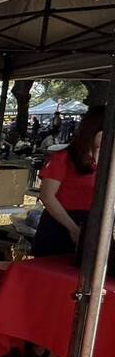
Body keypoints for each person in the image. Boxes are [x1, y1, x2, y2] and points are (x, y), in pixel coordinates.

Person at [34, 106, 104, 258]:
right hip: (60, 225)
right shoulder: (64, 158)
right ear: (93, 130)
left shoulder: (107, 161)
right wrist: (73, 229)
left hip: (92, 224)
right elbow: (47, 196)